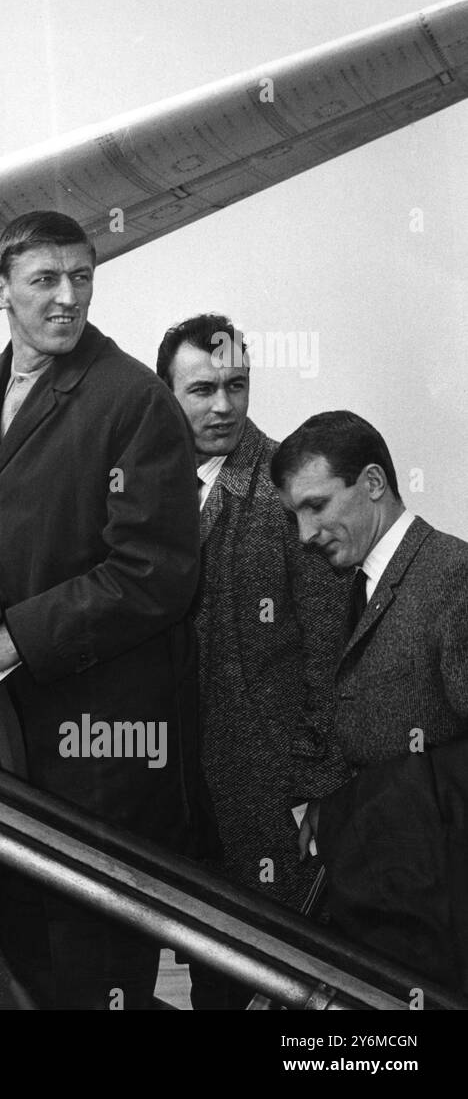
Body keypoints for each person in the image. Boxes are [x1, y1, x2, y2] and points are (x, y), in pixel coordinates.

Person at [0, 211, 202, 1009]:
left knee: (96, 962)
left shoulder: (136, 399)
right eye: (44, 280)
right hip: (22, 732)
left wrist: (12, 638)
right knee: (27, 937)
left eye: (81, 277)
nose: (67, 298)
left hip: (105, 744)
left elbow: (154, 576)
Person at [157, 314, 348, 1008]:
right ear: (166, 395)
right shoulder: (147, 491)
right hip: (177, 787)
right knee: (208, 975)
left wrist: (315, 792)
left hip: (270, 796)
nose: (225, 405)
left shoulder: (286, 491)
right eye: (203, 388)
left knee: (291, 983)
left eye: (237, 385)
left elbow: (332, 656)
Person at [274, 411, 468, 984]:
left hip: (439, 906)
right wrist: (335, 803)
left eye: (317, 505)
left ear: (375, 484)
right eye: (295, 516)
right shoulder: (361, 582)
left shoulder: (452, 575)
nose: (306, 534)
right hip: (394, 894)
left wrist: (389, 803)